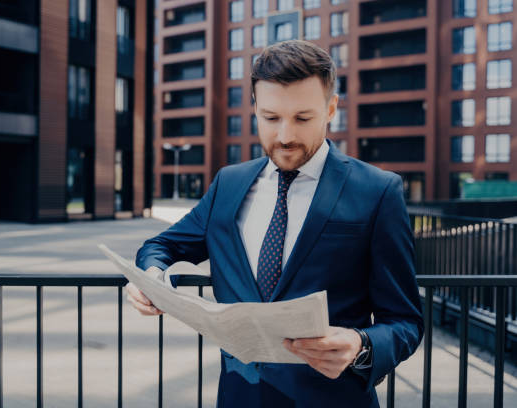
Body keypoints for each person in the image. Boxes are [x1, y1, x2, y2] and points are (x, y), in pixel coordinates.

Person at [128, 40, 423, 407]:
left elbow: (405, 322)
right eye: (271, 118)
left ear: (331, 108)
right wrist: (151, 279)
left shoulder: (377, 191)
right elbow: (161, 246)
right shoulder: (228, 184)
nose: (285, 136)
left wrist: (361, 345)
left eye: (302, 118)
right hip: (239, 397)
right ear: (254, 109)